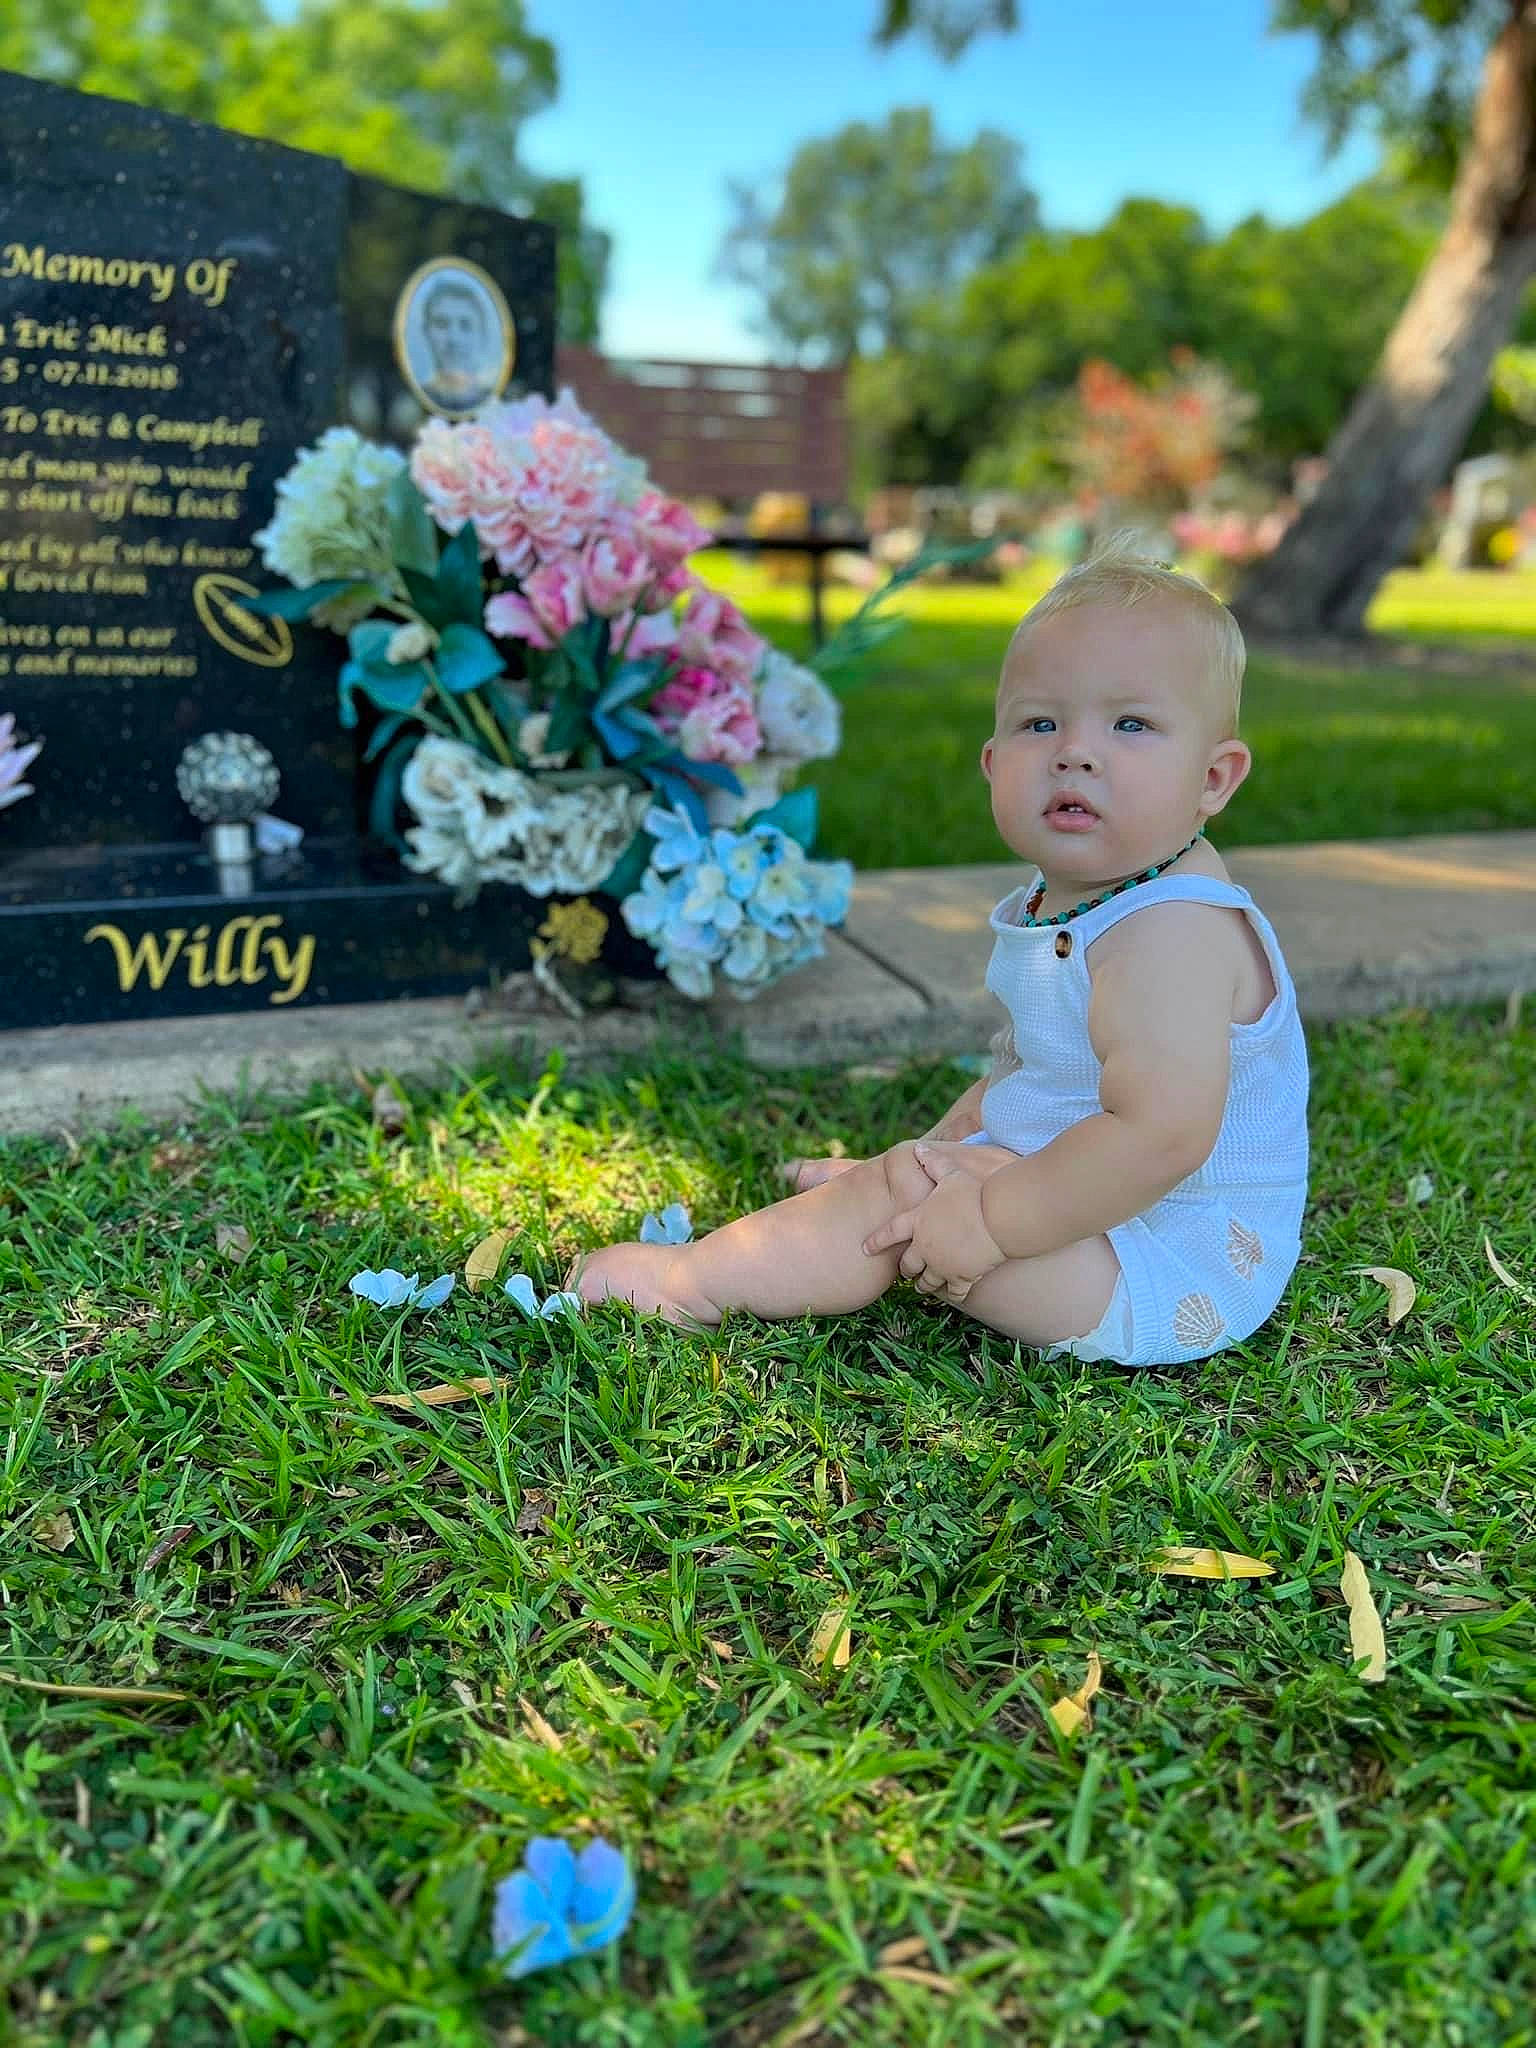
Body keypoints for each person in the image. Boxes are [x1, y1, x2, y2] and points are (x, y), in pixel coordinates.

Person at [574, 535, 1309, 1369]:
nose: (1075, 750)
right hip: (1110, 1211)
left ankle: (692, 1283)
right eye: (1041, 722)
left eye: (1131, 723)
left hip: (1169, 1264)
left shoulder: (1169, 935)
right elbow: (1038, 1071)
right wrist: (946, 1154)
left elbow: (1162, 1136)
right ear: (993, 764)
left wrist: (986, 1218)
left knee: (911, 1196)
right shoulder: (1098, 893)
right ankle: (881, 1198)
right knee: (920, 1175)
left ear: (1214, 779)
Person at [416, 277, 498, 413]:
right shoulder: (417, 400)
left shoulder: (493, 403)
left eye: (465, 325)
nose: (454, 339)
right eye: (441, 324)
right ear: (426, 332)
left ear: (482, 333)